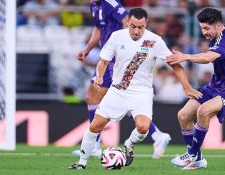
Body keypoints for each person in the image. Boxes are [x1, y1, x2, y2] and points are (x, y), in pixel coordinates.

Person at [69, 7, 202, 170]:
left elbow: (175, 65)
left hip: (142, 93)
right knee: (95, 126)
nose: (137, 31)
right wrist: (99, 76)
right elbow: (103, 61)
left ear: (146, 24)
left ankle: (129, 144)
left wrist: (187, 88)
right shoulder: (117, 36)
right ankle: (81, 163)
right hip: (117, 90)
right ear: (127, 22)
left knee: (143, 127)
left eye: (141, 27)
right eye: (133, 26)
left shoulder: (154, 41)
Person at [73, 0, 172, 159]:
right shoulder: (94, 4)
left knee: (101, 96)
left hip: (116, 59)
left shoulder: (110, 3)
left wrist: (130, 50)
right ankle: (157, 135)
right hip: (108, 56)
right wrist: (87, 49)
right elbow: (99, 28)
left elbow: (127, 20)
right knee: (95, 97)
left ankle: (96, 146)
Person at [166, 7, 225, 170]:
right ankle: (197, 158)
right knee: (183, 115)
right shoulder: (220, 33)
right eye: (202, 28)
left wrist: (185, 56)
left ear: (218, 26)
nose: (204, 32)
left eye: (206, 28)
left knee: (203, 111)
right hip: (215, 86)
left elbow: (209, 57)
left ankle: (193, 156)